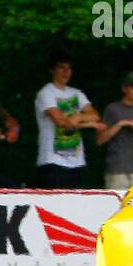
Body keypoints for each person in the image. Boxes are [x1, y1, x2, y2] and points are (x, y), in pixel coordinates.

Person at [34, 53, 99, 188]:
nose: (66, 72)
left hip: (77, 161)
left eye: (69, 68)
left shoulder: (77, 93)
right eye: (61, 67)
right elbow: (62, 122)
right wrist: (89, 124)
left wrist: (79, 117)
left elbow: (95, 115)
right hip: (52, 161)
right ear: (52, 70)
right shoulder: (46, 93)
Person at [96, 71, 133, 190]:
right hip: (117, 168)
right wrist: (121, 124)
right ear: (124, 88)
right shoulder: (112, 109)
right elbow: (100, 139)